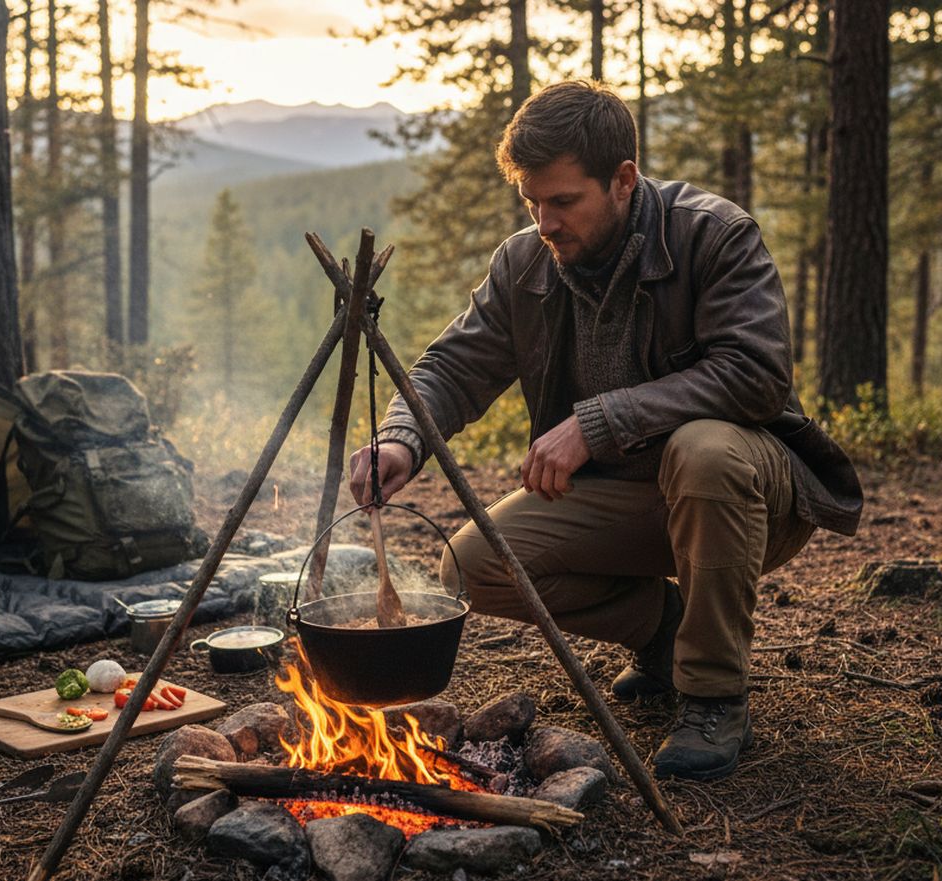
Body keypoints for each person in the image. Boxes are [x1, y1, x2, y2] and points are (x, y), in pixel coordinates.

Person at [349, 80, 862, 781]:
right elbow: (452, 366)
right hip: (628, 502)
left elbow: (756, 373)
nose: (546, 222)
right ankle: (665, 631)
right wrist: (403, 437)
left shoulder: (713, 235)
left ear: (623, 180)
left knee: (703, 451)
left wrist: (598, 422)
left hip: (748, 497)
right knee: (475, 563)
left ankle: (714, 696)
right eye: (532, 202)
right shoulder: (525, 263)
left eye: (563, 201)